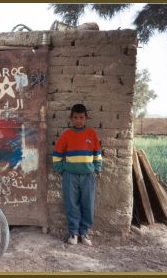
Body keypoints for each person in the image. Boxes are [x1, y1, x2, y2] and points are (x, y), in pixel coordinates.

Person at [52, 104, 102, 246]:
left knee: (88, 204)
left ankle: (84, 232)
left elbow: (97, 154)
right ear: (71, 118)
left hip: (88, 176)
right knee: (71, 204)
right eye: (75, 118)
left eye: (81, 117)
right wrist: (61, 169)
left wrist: (96, 169)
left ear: (86, 118)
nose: (78, 120)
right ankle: (73, 232)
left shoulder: (91, 134)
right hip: (70, 176)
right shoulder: (67, 134)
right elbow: (57, 154)